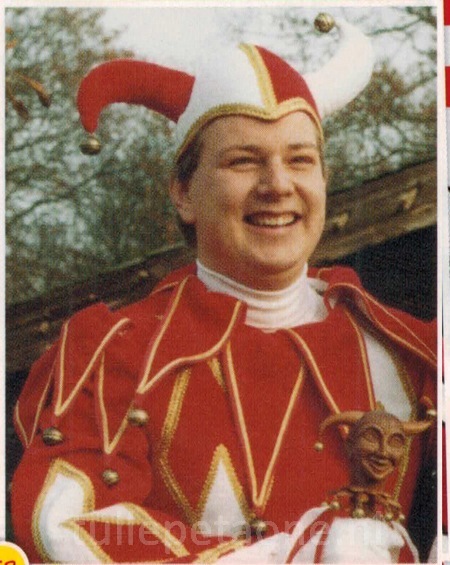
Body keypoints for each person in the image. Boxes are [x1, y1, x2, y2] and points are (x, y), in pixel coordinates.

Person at [11, 13, 436, 564]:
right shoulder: (117, 354)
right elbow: (62, 529)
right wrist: (291, 556)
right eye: (243, 161)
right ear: (183, 193)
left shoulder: (412, 349)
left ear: (324, 179)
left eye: (300, 159)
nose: (278, 185)